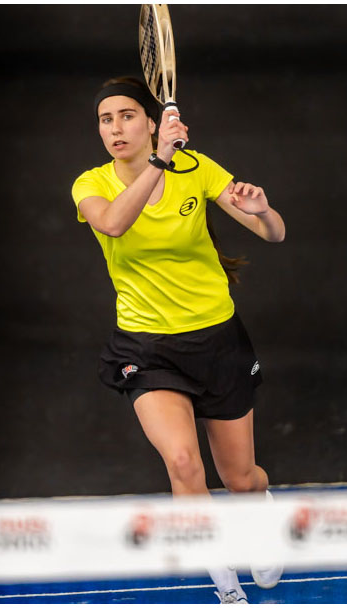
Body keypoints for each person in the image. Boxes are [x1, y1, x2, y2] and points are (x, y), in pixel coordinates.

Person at [71, 76, 286, 603]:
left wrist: (261, 210)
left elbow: (274, 233)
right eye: (105, 119)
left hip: (218, 340)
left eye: (127, 116)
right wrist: (160, 160)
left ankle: (262, 516)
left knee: (241, 479)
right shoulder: (90, 185)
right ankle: (224, 581)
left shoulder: (197, 168)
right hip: (146, 348)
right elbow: (115, 224)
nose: (116, 128)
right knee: (184, 463)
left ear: (150, 122)